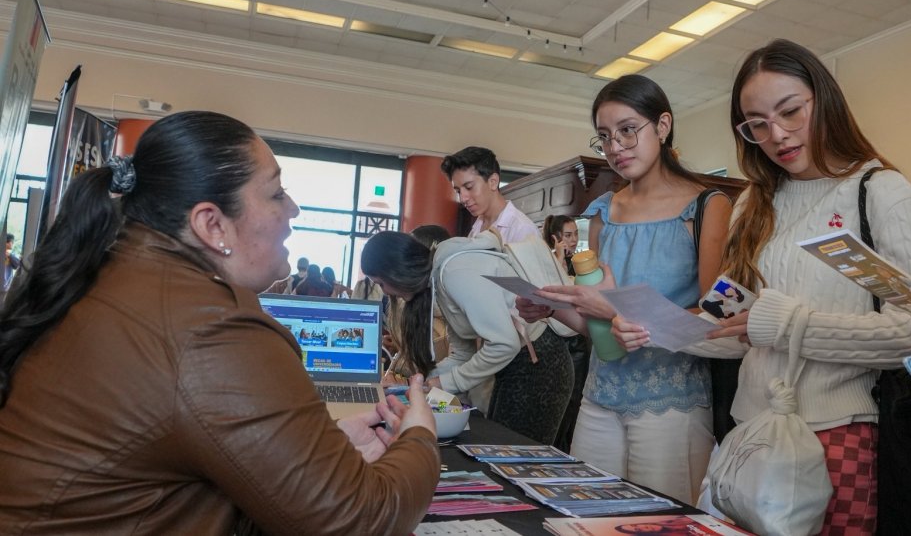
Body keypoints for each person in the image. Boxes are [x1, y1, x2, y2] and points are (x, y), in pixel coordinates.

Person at [0, 111, 439, 533]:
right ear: (212, 225)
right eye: (276, 194)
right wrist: (419, 438)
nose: (294, 211)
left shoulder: (114, 275)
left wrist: (322, 454)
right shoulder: (210, 330)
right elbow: (360, 520)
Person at [700, 39, 911, 533]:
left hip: (839, 434)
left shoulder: (878, 192)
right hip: (751, 431)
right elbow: (730, 319)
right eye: (756, 124)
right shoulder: (753, 202)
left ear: (823, 100)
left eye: (790, 112)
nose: (777, 135)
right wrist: (657, 327)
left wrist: (787, 326)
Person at [517, 74, 735, 504]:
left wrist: (624, 317)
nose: (616, 147)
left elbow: (719, 318)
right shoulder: (602, 212)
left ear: (664, 125)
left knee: (660, 522)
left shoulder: (707, 206)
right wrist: (552, 308)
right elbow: (598, 326)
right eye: (605, 137)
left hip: (671, 401)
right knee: (584, 518)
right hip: (599, 396)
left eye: (628, 130)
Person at [361, 229, 573, 445]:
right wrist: (416, 384)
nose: (386, 292)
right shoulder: (440, 279)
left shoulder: (454, 271)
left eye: (381, 283)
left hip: (540, 366)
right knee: (500, 454)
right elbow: (463, 354)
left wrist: (444, 382)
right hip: (518, 366)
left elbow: (504, 344)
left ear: (396, 271)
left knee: (515, 457)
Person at [542, 214, 588, 452]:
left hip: (578, 337)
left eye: (575, 234)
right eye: (567, 235)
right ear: (555, 238)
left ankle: (567, 446)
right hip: (557, 335)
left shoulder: (581, 262)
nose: (573, 240)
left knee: (576, 398)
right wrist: (559, 259)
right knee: (558, 396)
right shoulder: (548, 262)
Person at [441, 146, 539, 243]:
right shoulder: (476, 228)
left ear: (493, 182)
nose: (463, 199)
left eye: (469, 187)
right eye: (458, 191)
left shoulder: (522, 230)